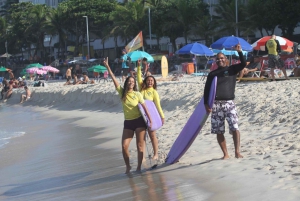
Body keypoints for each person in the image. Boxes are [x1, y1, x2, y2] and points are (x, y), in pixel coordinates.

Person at [103, 57, 152, 174]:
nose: (131, 83)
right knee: (124, 146)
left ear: (134, 84)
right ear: (126, 83)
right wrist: (107, 67)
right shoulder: (122, 92)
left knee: (140, 146)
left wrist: (150, 121)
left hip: (139, 122)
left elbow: (145, 108)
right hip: (128, 123)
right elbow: (113, 79)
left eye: (133, 82)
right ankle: (128, 166)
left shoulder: (138, 94)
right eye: (129, 81)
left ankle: (139, 167)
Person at [204, 44, 245, 159]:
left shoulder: (232, 69)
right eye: (218, 59)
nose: (220, 60)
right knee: (219, 130)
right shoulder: (212, 74)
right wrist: (206, 104)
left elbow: (243, 64)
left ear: (226, 59)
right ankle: (225, 154)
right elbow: (207, 90)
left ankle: (237, 152)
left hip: (229, 103)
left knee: (235, 127)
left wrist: (240, 52)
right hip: (216, 104)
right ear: (216, 61)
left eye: (222, 58)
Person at [137, 59, 164, 160]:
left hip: (150, 116)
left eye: (152, 80)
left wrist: (162, 117)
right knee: (142, 137)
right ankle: (142, 156)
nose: (150, 82)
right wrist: (139, 66)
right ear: (145, 81)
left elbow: (158, 105)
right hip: (141, 115)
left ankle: (156, 154)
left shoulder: (154, 92)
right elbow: (138, 77)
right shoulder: (142, 89)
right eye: (148, 80)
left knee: (152, 135)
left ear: (154, 82)